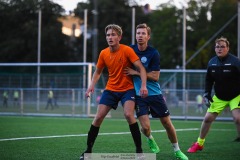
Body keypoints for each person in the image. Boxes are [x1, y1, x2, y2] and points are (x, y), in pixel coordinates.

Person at [79, 24, 148, 160]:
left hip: (127, 90)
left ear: (119, 37)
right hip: (110, 90)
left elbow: (141, 68)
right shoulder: (103, 53)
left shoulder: (127, 50)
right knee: (98, 118)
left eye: (113, 35)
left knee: (128, 114)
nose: (110, 37)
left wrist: (143, 86)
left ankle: (139, 151)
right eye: (108, 35)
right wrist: (91, 86)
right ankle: (88, 151)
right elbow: (98, 72)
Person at [125, 23, 188, 160]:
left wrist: (136, 72)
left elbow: (155, 76)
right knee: (146, 128)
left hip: (154, 94)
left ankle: (177, 150)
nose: (140, 36)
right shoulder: (130, 50)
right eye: (138, 33)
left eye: (143, 33)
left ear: (148, 36)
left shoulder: (153, 53)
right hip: (139, 95)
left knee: (166, 123)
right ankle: (150, 139)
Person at [187, 37, 240, 153]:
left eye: (222, 46)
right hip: (219, 96)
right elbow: (208, 80)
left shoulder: (236, 61)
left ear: (228, 48)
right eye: (217, 46)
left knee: (238, 118)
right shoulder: (211, 62)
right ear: (215, 49)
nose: (219, 49)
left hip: (236, 96)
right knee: (207, 118)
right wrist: (207, 93)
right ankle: (199, 144)